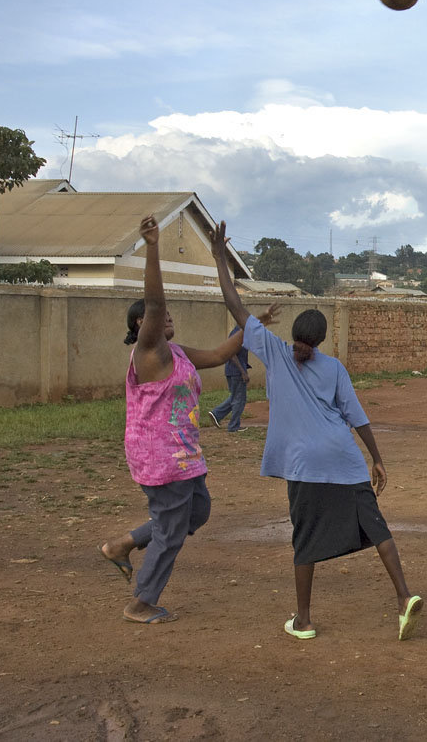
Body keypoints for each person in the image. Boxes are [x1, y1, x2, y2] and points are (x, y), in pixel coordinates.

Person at [211, 221, 423, 641]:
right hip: (345, 459)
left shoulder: (274, 352)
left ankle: (304, 619)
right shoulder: (334, 367)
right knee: (376, 527)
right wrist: (377, 458)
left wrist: (220, 258)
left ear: (294, 336)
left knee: (304, 537)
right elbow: (358, 418)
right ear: (322, 340)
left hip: (304, 463)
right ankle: (403, 598)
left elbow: (235, 305)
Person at [98, 215, 274, 624]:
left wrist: (255, 323)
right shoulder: (149, 354)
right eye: (159, 317)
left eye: (167, 315)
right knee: (172, 530)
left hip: (184, 455)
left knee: (197, 513)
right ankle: (141, 602)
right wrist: (154, 246)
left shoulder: (176, 354)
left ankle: (123, 544)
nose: (167, 317)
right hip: (161, 459)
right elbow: (155, 302)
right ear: (143, 326)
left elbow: (217, 355)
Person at [208, 325, 250, 432]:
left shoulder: (239, 333)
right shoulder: (237, 335)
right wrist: (243, 372)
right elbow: (231, 354)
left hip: (232, 371)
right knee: (239, 400)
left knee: (236, 397)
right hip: (236, 372)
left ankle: (216, 414)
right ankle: (233, 426)